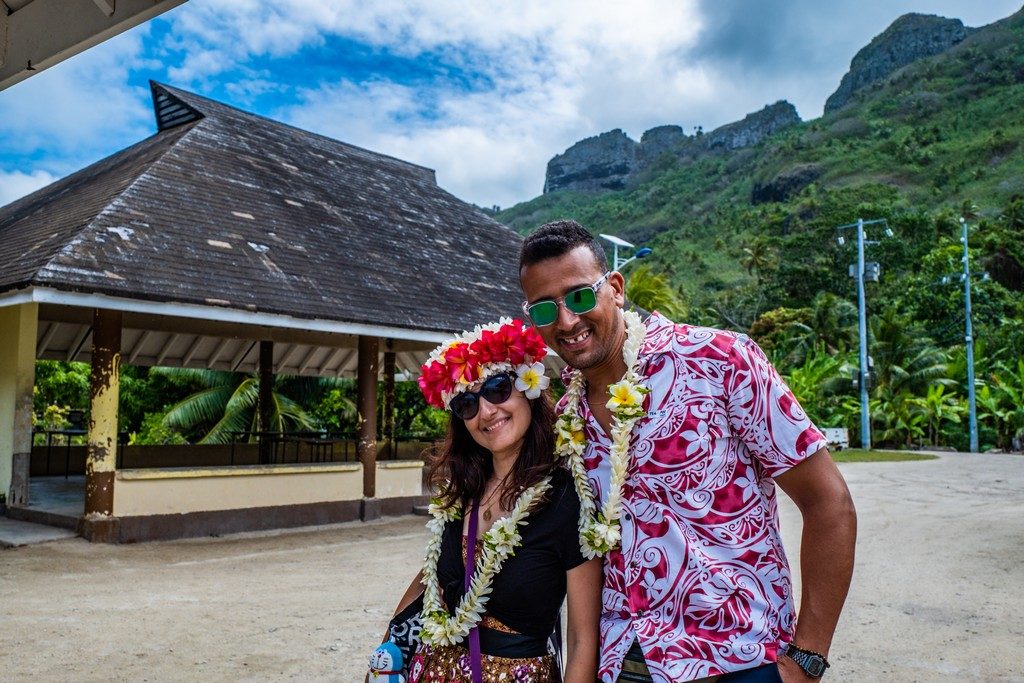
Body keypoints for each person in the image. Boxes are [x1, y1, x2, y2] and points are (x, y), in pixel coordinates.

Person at [518, 220, 858, 683]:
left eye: (580, 297)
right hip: (621, 664)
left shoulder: (719, 361)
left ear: (615, 289)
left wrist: (808, 659)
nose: (566, 321)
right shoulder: (566, 418)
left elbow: (828, 502)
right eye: (543, 310)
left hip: (737, 659)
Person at [377, 319, 603, 683]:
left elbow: (580, 640)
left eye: (497, 388)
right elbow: (430, 577)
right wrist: (386, 648)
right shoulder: (464, 489)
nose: (486, 411)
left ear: (528, 388)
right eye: (466, 403)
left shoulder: (566, 500)